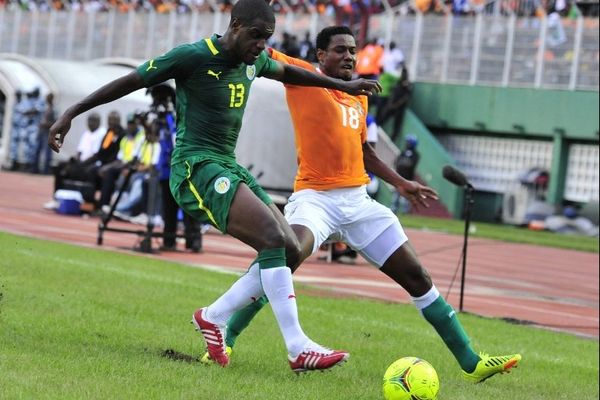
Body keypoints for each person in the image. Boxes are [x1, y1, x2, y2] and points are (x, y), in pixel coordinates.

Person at [48, 0, 381, 373]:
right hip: (196, 167)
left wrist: (342, 85)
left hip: (228, 165)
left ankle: (213, 316)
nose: (261, 46)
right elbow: (131, 81)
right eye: (256, 36)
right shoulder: (192, 56)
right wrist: (71, 112)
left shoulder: (253, 61)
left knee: (289, 248)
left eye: (266, 38)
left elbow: (291, 73)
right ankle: (297, 347)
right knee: (273, 239)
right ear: (235, 26)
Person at [203, 26, 521, 384]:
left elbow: (364, 150)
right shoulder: (302, 76)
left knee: (418, 276)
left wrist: (401, 182)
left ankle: (472, 362)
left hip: (359, 203)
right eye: (340, 50)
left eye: (353, 51)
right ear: (320, 55)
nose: (349, 57)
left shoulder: (359, 95)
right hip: (315, 200)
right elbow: (257, 50)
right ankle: (224, 340)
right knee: (285, 258)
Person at [376, 65, 413, 143]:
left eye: (404, 73)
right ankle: (376, 127)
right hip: (392, 105)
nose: (402, 75)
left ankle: (393, 140)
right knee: (383, 116)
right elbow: (393, 92)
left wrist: (396, 105)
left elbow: (406, 97)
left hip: (399, 108)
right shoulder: (398, 82)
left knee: (397, 125)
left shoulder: (408, 84)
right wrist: (391, 104)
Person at [392, 134, 421, 214]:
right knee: (395, 198)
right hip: (398, 179)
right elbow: (396, 162)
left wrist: (403, 163)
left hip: (408, 179)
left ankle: (405, 214)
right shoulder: (403, 152)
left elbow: (410, 165)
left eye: (409, 142)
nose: (407, 144)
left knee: (406, 200)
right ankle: (393, 212)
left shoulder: (415, 155)